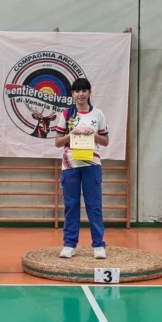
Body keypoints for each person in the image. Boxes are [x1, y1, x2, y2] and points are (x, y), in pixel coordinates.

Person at [54, 78, 109, 259]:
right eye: (77, 91)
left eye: (84, 90)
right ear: (72, 94)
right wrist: (70, 135)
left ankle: (98, 245)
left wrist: (94, 134)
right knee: (71, 205)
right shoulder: (66, 114)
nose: (81, 94)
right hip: (70, 165)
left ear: (89, 92)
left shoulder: (98, 114)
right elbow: (57, 142)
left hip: (92, 165)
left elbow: (105, 141)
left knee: (94, 205)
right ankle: (69, 244)